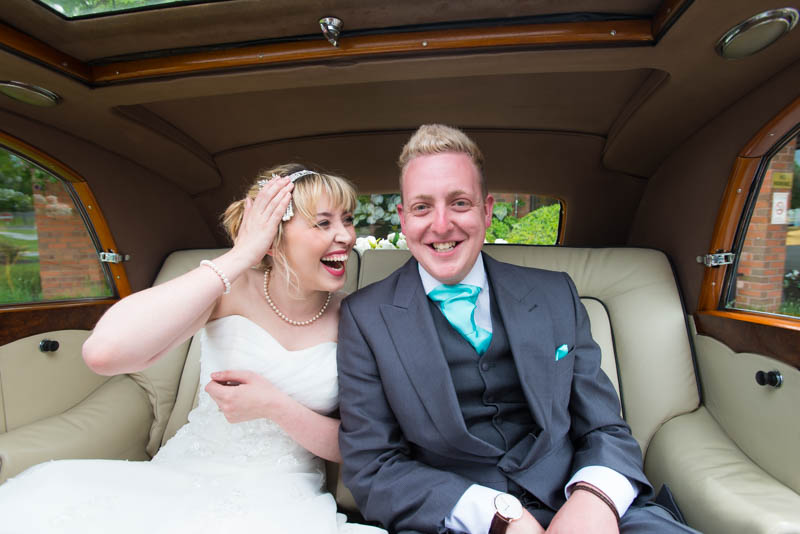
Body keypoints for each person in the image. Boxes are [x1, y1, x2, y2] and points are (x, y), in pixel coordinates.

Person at [336, 125, 700, 534]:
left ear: (486, 211)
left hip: (579, 501)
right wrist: (493, 515)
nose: (441, 225)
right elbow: (374, 466)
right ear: (403, 218)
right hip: (455, 520)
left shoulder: (555, 294)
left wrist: (594, 500)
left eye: (459, 203)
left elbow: (604, 426)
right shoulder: (364, 318)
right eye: (422, 207)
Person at [0, 164, 385, 534]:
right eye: (324, 223)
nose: (346, 237)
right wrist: (240, 256)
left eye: (347, 219)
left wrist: (276, 407)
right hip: (180, 478)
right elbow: (104, 352)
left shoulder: (356, 319)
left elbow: (358, 448)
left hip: (282, 497)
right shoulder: (225, 291)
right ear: (273, 236)